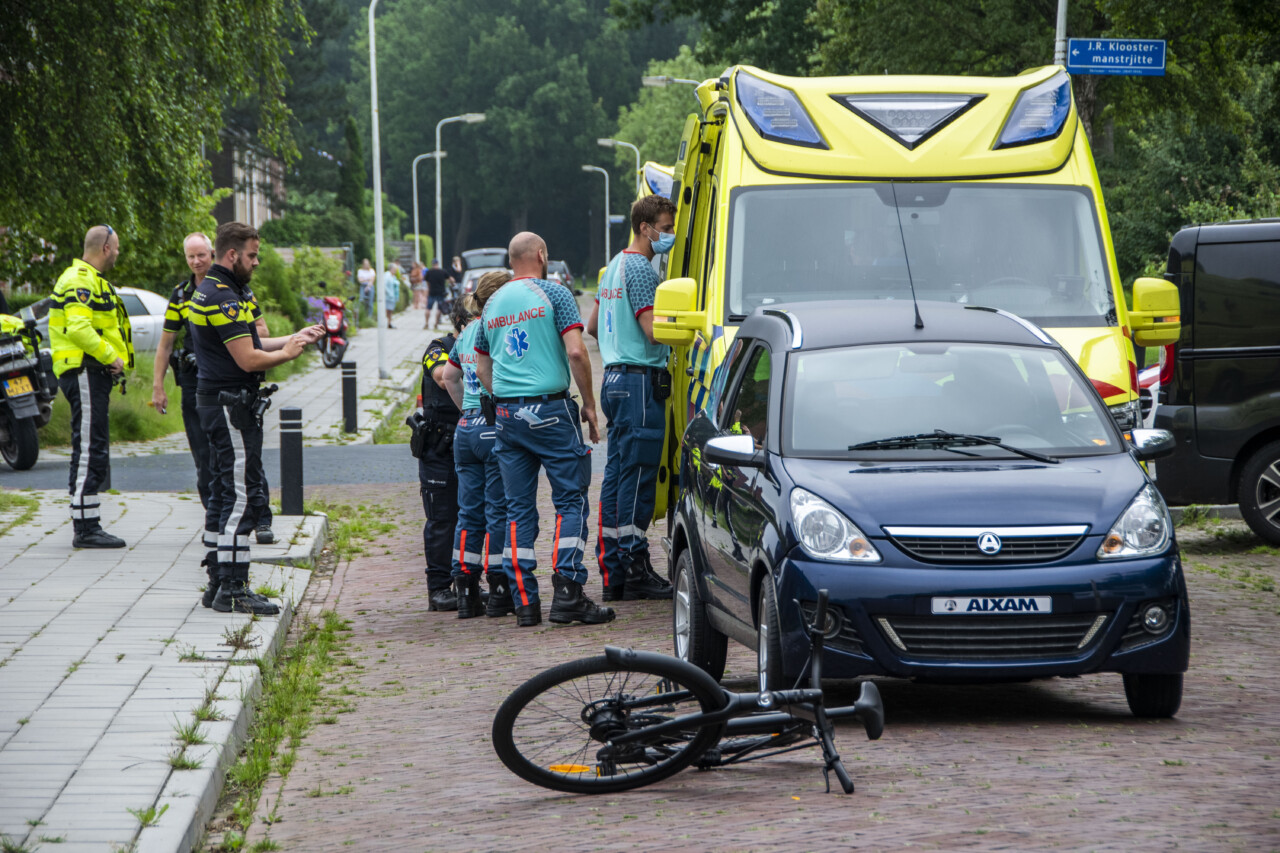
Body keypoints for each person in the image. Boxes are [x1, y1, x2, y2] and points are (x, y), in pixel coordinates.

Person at [475, 231, 612, 627]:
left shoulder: (493, 304)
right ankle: (568, 592)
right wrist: (588, 403)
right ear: (541, 255)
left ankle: (525, 603)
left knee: (517, 508)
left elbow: (483, 368)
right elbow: (575, 349)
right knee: (570, 501)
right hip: (551, 412)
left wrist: (505, 399)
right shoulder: (554, 294)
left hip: (507, 417)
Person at [189, 222, 323, 615]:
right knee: (239, 496)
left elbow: (250, 342)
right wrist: (289, 354)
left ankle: (216, 582)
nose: (257, 261)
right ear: (232, 255)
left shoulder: (209, 290)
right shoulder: (224, 297)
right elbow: (248, 358)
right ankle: (233, 587)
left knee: (220, 493)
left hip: (216, 401)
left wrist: (292, 337)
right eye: (252, 255)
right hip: (230, 405)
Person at [587, 195, 678, 602]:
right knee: (639, 476)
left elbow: (592, 326)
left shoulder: (613, 268)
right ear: (646, 227)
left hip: (614, 378)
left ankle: (614, 569)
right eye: (666, 226)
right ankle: (635, 563)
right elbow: (653, 330)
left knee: (618, 474)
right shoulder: (641, 268)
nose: (670, 234)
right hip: (640, 380)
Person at [48, 225, 133, 548]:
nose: (119, 253)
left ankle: (89, 523)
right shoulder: (80, 280)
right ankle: (85, 528)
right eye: (118, 248)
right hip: (85, 370)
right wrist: (111, 356)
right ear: (107, 248)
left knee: (93, 445)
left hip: (90, 372)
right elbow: (79, 328)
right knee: (89, 448)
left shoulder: (88, 279)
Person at [441, 271, 512, 619]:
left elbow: (448, 377)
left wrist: (465, 409)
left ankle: (465, 589)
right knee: (497, 510)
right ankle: (499, 588)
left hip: (466, 428)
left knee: (468, 511)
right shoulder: (496, 328)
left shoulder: (466, 332)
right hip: (491, 422)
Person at [417, 303, 467, 612]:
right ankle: (438, 589)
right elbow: (440, 376)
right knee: (442, 518)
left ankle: (465, 581)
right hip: (439, 445)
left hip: (468, 441)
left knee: (471, 514)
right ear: (462, 321)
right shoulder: (438, 348)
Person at [424, 258, 451, 330]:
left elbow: (427, 282)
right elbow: (450, 279)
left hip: (432, 292)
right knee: (439, 309)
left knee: (428, 308)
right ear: (438, 264)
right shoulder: (443, 272)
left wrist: (429, 288)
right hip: (441, 293)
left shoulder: (429, 272)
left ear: (432, 264)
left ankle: (426, 323)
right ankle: (436, 323)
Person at [383, 262, 402, 327]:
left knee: (391, 310)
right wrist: (389, 293)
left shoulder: (393, 276)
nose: (395, 270)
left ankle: (389, 323)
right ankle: (385, 322)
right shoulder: (387, 275)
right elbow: (384, 285)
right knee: (387, 309)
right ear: (391, 268)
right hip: (388, 296)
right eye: (394, 269)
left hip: (393, 296)